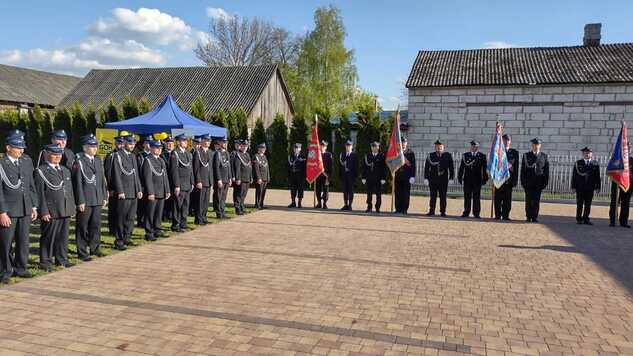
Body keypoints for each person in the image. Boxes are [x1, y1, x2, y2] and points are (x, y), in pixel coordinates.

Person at [0, 135, 37, 282]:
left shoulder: (25, 162)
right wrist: (2, 212)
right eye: (17, 147)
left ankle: (21, 268)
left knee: (23, 240)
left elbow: (31, 186)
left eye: (22, 147)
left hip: (25, 207)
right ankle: (5, 271)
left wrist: (33, 206)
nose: (21, 150)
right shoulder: (2, 164)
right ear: (8, 148)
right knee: (5, 242)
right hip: (9, 210)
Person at [35, 144, 75, 271]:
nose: (58, 156)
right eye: (54, 154)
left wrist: (71, 207)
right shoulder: (41, 171)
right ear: (47, 155)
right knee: (49, 237)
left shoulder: (65, 170)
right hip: (51, 210)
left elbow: (69, 191)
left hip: (64, 209)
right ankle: (45, 262)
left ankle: (62, 259)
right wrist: (43, 211)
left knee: (63, 237)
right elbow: (39, 193)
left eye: (59, 154)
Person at [72, 134, 107, 261]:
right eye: (91, 146)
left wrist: (104, 196)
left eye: (95, 146)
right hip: (86, 199)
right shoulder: (79, 162)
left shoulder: (97, 160)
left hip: (97, 198)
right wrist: (80, 200)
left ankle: (95, 247)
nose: (95, 148)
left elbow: (101, 180)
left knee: (96, 225)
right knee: (82, 226)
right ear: (85, 147)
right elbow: (78, 183)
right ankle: (82, 251)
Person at [111, 135, 143, 250]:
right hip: (124, 191)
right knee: (121, 218)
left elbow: (136, 174)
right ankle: (119, 241)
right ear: (124, 143)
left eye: (133, 144)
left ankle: (127, 237)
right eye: (130, 144)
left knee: (130, 217)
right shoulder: (118, 156)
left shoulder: (133, 156)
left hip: (133, 191)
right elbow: (116, 175)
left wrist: (139, 189)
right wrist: (120, 191)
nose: (132, 146)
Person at [141, 140, 170, 241]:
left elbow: (164, 176)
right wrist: (150, 192)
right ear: (152, 148)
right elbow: (147, 178)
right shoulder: (147, 160)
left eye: (160, 148)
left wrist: (167, 190)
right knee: (150, 213)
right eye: (157, 148)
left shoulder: (161, 160)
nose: (159, 149)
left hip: (161, 191)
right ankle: (149, 232)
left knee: (158, 213)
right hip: (153, 192)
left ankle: (157, 229)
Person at [520, 138, 549, 223]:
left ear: (540, 146)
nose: (535, 146)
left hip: (539, 183)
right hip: (528, 183)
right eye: (534, 145)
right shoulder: (526, 155)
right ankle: (528, 216)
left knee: (536, 201)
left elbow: (546, 171)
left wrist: (544, 183)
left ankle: (535, 216)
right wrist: (523, 182)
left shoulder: (544, 156)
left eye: (537, 145)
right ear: (531, 146)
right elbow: (523, 170)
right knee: (528, 200)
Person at [169, 134, 194, 232]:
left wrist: (192, 182)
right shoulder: (175, 154)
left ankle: (183, 223)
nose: (186, 142)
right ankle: (176, 225)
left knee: (185, 205)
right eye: (184, 141)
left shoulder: (187, 153)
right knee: (177, 206)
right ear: (178, 142)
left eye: (186, 141)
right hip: (180, 184)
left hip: (187, 184)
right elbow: (174, 171)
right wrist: (177, 185)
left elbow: (190, 169)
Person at [458, 141, 488, 218]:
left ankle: (476, 212)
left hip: (477, 180)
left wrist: (485, 178)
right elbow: (462, 167)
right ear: (470, 147)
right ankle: (466, 211)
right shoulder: (465, 155)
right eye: (472, 146)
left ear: (477, 147)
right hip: (467, 179)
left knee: (476, 197)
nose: (473, 147)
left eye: (475, 146)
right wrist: (460, 177)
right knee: (467, 196)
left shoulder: (482, 156)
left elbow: (484, 169)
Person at [424, 140, 454, 217]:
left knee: (443, 196)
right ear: (435, 147)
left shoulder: (448, 155)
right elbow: (427, 168)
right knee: (432, 196)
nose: (439, 148)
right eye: (437, 147)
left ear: (443, 147)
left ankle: (443, 211)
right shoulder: (431, 155)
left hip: (443, 179)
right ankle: (431, 210)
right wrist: (426, 178)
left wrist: (451, 178)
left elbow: (451, 168)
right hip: (433, 179)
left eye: (440, 147)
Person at [571, 147, 601, 225]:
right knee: (579, 203)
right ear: (582, 154)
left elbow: (597, 177)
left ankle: (586, 219)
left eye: (588, 153)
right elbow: (574, 176)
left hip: (590, 188)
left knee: (588, 204)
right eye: (585, 153)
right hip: (580, 187)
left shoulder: (595, 164)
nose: (587, 154)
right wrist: (573, 186)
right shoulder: (578, 163)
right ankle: (579, 219)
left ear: (591, 154)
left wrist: (598, 187)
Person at [494, 134, 519, 220]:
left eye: (508, 140)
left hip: (509, 180)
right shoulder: (498, 151)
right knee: (497, 198)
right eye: (505, 140)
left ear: (510, 141)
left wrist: (515, 180)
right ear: (502, 141)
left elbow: (515, 168)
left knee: (507, 199)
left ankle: (505, 215)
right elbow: (495, 164)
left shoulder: (514, 153)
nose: (506, 142)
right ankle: (497, 215)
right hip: (499, 179)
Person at [105, 135, 125, 235]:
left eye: (122, 143)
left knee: (120, 211)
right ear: (115, 144)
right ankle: (112, 229)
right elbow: (108, 173)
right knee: (113, 209)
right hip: (114, 187)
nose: (121, 145)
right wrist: (110, 188)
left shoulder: (124, 155)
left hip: (123, 187)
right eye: (119, 143)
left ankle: (119, 229)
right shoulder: (111, 155)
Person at [192, 134, 213, 225]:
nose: (208, 142)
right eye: (207, 140)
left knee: (206, 201)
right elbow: (196, 168)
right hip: (201, 180)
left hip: (208, 180)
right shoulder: (198, 152)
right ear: (202, 141)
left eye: (209, 141)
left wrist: (211, 180)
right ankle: (198, 218)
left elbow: (211, 168)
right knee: (200, 201)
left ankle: (204, 217)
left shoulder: (210, 152)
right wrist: (198, 180)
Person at [361, 141, 387, 213]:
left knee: (378, 194)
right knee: (369, 193)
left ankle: (378, 207)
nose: (374, 148)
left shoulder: (382, 156)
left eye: (376, 146)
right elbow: (364, 167)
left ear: (378, 147)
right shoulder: (367, 156)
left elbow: (384, 168)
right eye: (373, 146)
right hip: (369, 178)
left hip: (378, 178)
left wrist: (383, 178)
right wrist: (363, 177)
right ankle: (369, 207)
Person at [609, 155, 633, 228]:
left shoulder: (631, 160)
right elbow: (610, 169)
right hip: (616, 183)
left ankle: (623, 221)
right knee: (614, 202)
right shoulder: (615, 158)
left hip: (627, 184)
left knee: (625, 203)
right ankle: (613, 221)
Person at [394, 137, 416, 214]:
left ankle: (404, 209)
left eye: (404, 142)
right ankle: (397, 209)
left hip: (407, 176)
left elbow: (413, 165)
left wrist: (413, 176)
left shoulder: (410, 153)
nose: (403, 144)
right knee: (397, 193)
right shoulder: (396, 152)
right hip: (397, 175)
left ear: (406, 143)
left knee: (406, 194)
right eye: (402, 142)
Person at [213, 137, 232, 218]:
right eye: (223, 142)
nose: (225, 144)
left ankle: (222, 211)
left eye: (226, 142)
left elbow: (228, 166)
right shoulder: (217, 153)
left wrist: (230, 177)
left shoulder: (227, 153)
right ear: (220, 143)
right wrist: (219, 179)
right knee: (219, 196)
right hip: (220, 179)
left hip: (226, 179)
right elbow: (216, 167)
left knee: (224, 197)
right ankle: (219, 213)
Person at [232, 139, 252, 215]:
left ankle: (242, 207)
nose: (245, 147)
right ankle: (238, 209)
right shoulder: (238, 155)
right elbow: (237, 168)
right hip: (241, 178)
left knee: (244, 194)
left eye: (246, 146)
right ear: (241, 146)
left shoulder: (247, 155)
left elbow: (250, 167)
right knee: (239, 194)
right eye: (243, 146)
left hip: (247, 178)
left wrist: (251, 177)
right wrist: (238, 178)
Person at [339, 139, 358, 211]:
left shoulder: (354, 155)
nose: (348, 147)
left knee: (351, 191)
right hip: (344, 176)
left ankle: (350, 205)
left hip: (351, 177)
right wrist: (340, 175)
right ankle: (345, 204)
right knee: (345, 191)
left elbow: (356, 167)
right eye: (347, 145)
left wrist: (355, 177)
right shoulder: (342, 154)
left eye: (349, 145)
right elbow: (340, 166)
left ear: (352, 146)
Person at [287, 143, 306, 208]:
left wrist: (305, 176)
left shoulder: (303, 157)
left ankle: (299, 203)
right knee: (293, 189)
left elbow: (305, 167)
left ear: (300, 149)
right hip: (292, 175)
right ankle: (293, 202)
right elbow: (288, 166)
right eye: (295, 148)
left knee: (300, 189)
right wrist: (288, 176)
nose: (296, 149)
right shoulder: (290, 156)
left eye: (297, 148)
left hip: (300, 175)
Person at [161, 136, 175, 222]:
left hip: (173, 180)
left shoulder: (175, 154)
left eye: (171, 144)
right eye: (168, 143)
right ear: (165, 144)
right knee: (165, 199)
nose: (170, 145)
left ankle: (171, 215)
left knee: (173, 199)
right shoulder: (162, 154)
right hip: (165, 180)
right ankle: (164, 216)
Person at [315, 140, 333, 209]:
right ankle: (319, 203)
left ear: (326, 147)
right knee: (318, 190)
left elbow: (330, 166)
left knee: (326, 190)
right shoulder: (317, 154)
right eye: (321, 145)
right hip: (318, 175)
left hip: (325, 175)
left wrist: (329, 177)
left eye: (324, 146)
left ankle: (325, 203)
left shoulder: (328, 155)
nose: (322, 147)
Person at [252, 143, 270, 209]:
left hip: (265, 177)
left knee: (263, 192)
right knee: (259, 191)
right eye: (262, 148)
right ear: (259, 149)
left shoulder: (264, 157)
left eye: (264, 148)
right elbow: (256, 169)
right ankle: (257, 204)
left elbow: (267, 168)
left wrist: (268, 177)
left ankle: (261, 204)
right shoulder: (256, 156)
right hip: (260, 178)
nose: (264, 149)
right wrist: (258, 178)